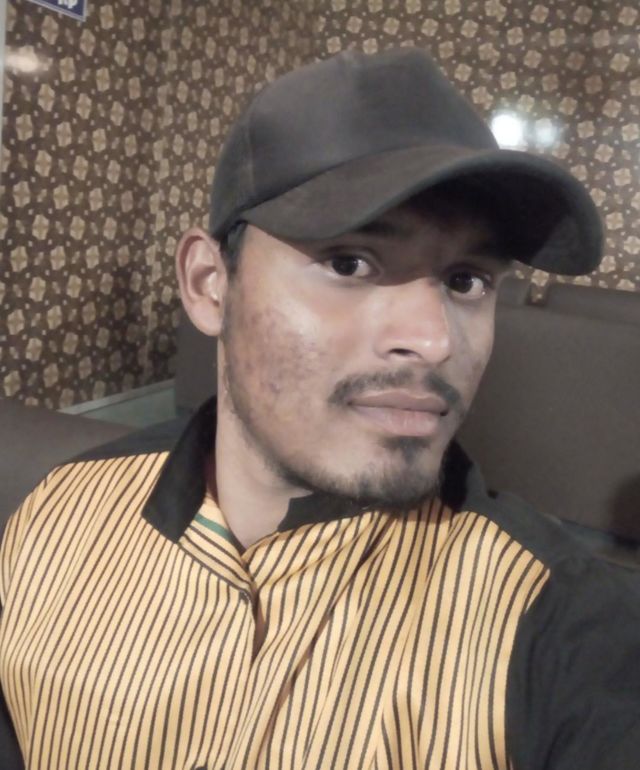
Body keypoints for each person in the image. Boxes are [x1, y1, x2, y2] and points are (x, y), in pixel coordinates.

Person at [0, 48, 638, 770]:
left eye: (466, 280)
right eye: (348, 263)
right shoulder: (60, 512)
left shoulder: (561, 627)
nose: (434, 341)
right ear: (210, 285)